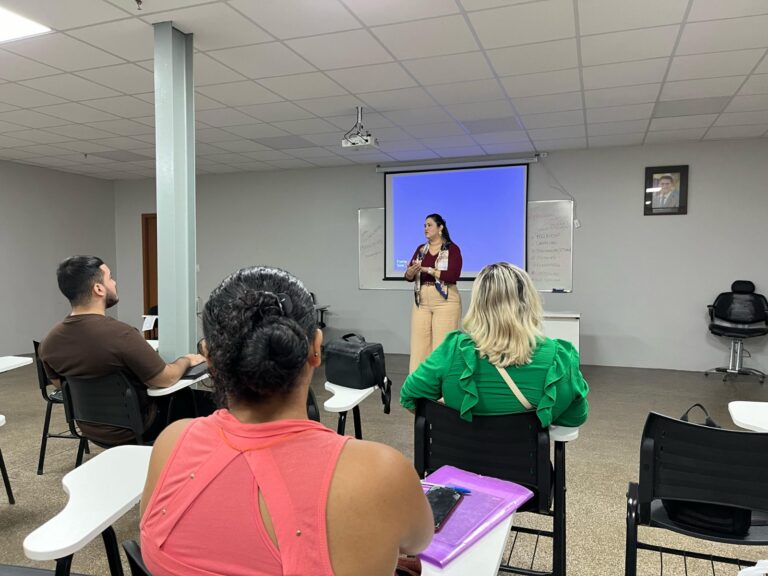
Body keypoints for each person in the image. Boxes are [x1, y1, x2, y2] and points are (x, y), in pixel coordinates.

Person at [140, 266, 433, 576]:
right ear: (316, 349)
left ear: (209, 358)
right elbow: (419, 541)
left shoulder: (172, 443)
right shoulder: (381, 474)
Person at [39, 255, 206, 446]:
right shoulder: (121, 334)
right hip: (141, 428)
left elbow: (61, 385)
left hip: (90, 430)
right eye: (110, 278)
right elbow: (164, 378)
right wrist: (186, 360)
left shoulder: (49, 342)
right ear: (99, 289)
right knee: (203, 402)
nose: (114, 282)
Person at [400, 262, 589, 428]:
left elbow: (410, 397)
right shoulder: (559, 358)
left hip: (457, 457)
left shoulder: (452, 350)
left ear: (478, 304)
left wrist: (449, 415)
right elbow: (576, 417)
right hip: (523, 458)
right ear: (529, 302)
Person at [404, 213, 463, 373]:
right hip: (421, 302)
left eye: (429, 225)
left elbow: (452, 276)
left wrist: (428, 270)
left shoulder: (452, 249)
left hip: (445, 302)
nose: (426, 228)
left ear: (440, 227)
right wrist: (410, 272)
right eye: (424, 226)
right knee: (419, 346)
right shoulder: (421, 250)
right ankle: (418, 383)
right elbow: (409, 277)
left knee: (442, 347)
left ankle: (443, 385)